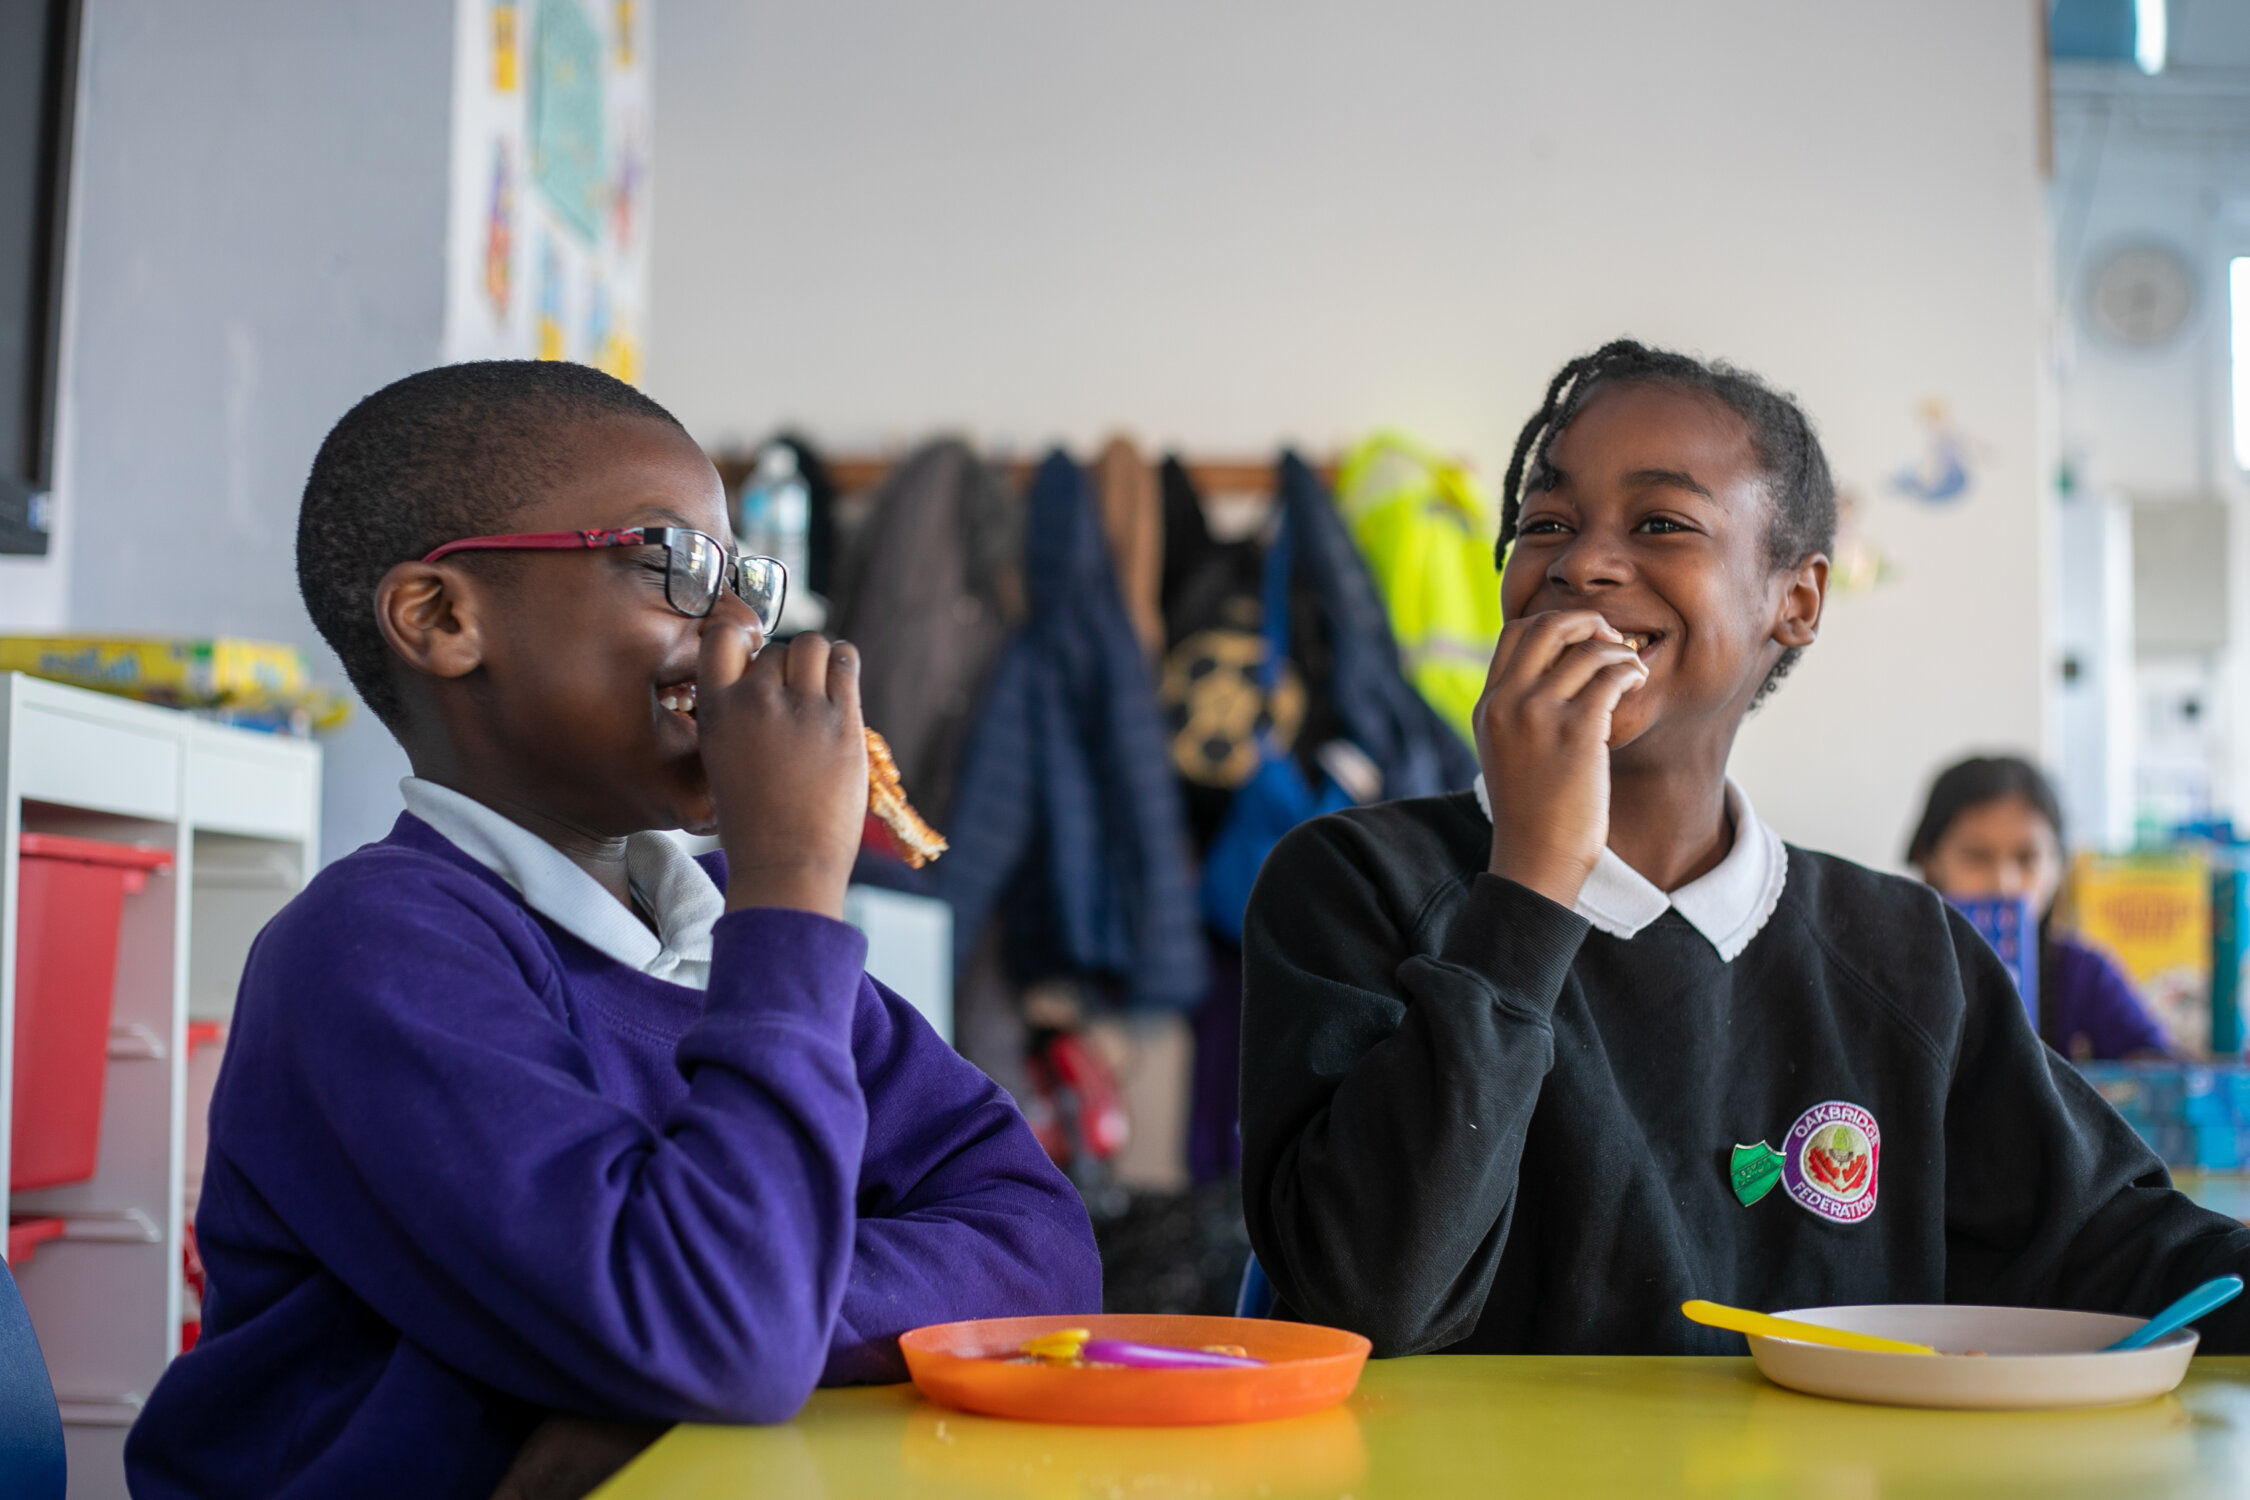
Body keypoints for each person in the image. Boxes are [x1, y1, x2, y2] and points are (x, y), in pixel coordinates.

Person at [125, 362, 1100, 1499]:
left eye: (747, 578)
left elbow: (1040, 1243)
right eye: (674, 566)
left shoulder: (718, 925)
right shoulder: (371, 952)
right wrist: (792, 880)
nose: (739, 627)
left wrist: (686, 1358)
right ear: (443, 619)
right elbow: (725, 1332)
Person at [1239, 339, 2250, 1358]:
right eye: (1545, 523)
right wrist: (1534, 880)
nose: (1582, 560)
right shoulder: (1354, 884)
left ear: (1796, 601)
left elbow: (2115, 1245)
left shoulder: (1906, 954)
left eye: (1661, 522)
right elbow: (1366, 1297)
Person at [1908, 755, 2172, 1060]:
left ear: (2058, 866)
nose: (2004, 884)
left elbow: (2161, 1072)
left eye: (2027, 858)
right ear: (1929, 861)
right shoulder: (1894, 969)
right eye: (1976, 856)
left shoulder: (2084, 975)